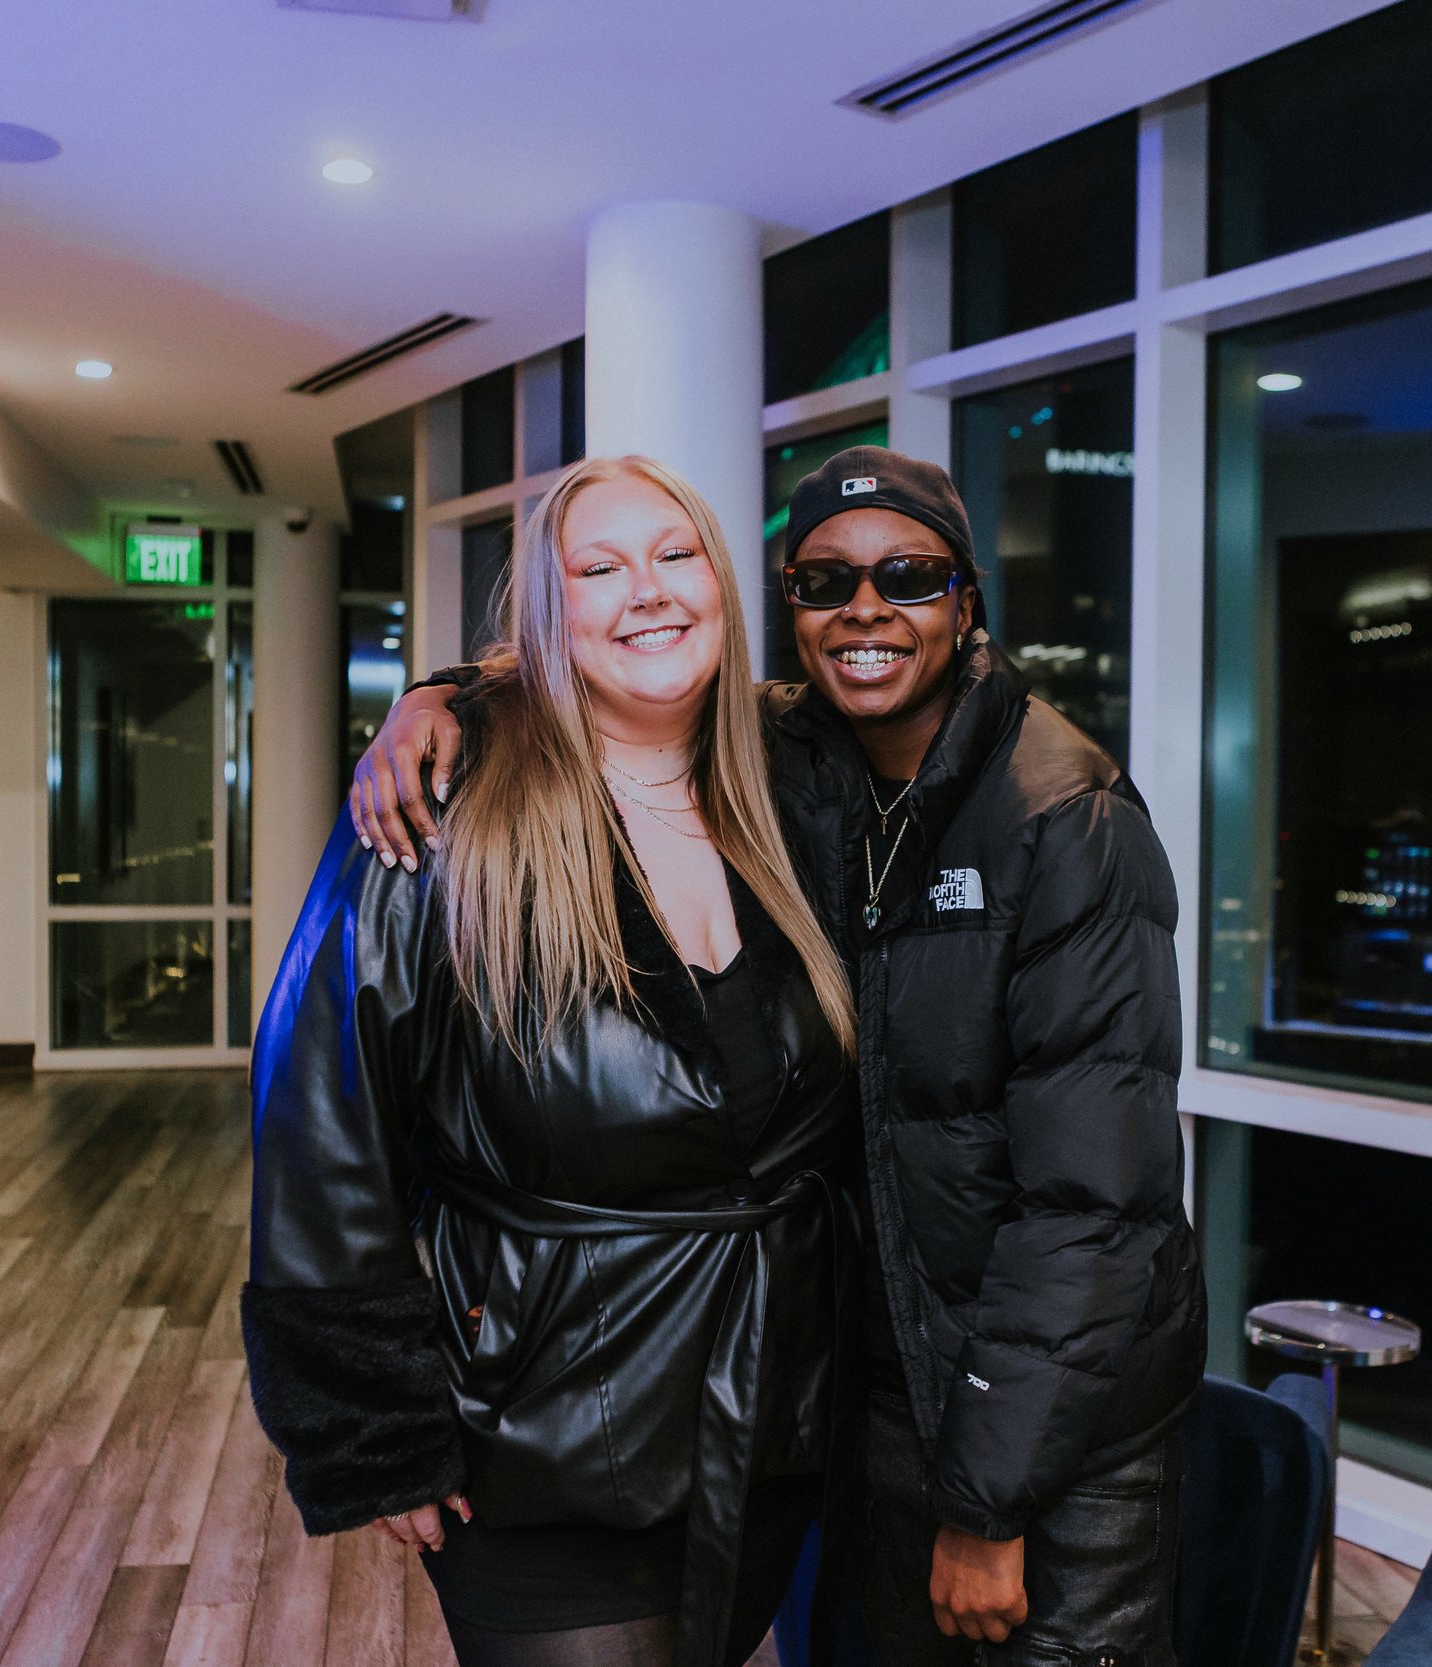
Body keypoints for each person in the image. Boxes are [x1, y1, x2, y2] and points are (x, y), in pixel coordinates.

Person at [355, 446, 1205, 1666]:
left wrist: (988, 1499)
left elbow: (1093, 1205)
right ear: (788, 610)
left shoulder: (1064, 817)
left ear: (967, 600)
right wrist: (438, 698)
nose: (865, 611)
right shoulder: (801, 762)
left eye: (907, 575)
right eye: (824, 582)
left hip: (1056, 1431)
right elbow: (602, 666)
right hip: (872, 1395)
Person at [243, 454, 859, 1667]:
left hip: (771, 1420)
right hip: (539, 1433)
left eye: (677, 555)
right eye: (600, 565)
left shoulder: (800, 785)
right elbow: (322, 1120)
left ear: (724, 586)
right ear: (546, 612)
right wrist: (374, 1427)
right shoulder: (445, 806)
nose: (649, 590)